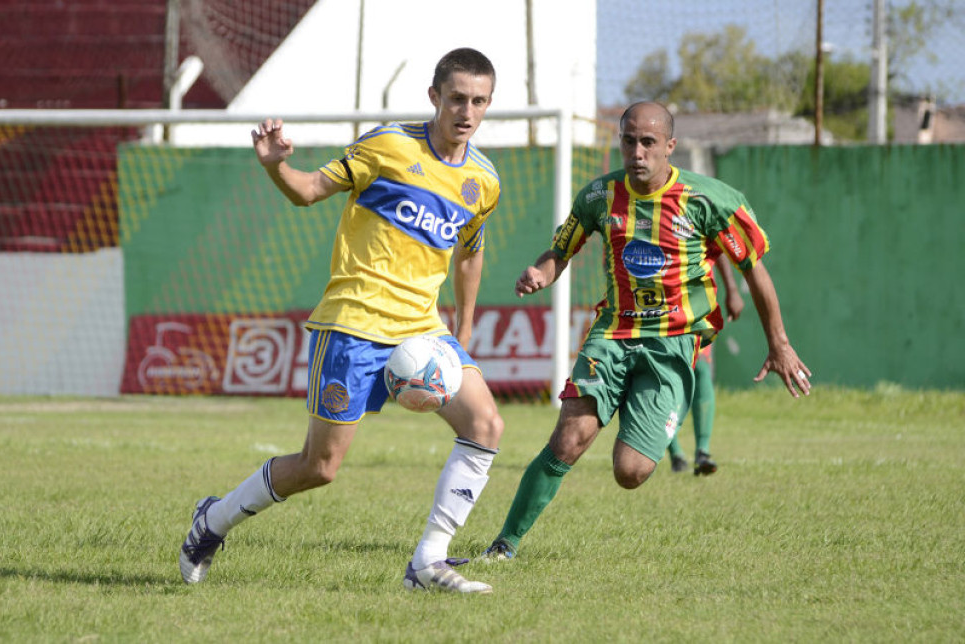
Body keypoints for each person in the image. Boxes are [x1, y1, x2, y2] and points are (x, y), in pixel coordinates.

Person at [179, 48, 504, 594]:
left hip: (423, 330)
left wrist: (463, 332)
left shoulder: (483, 181)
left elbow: (470, 253)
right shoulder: (387, 146)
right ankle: (212, 520)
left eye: (478, 101)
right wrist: (275, 163)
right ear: (434, 98)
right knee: (319, 467)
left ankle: (428, 562)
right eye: (456, 99)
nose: (466, 112)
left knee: (486, 426)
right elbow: (308, 191)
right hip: (354, 324)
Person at [481, 101, 811, 561]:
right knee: (568, 439)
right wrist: (541, 272)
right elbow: (559, 250)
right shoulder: (598, 197)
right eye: (629, 141)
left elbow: (754, 271)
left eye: (649, 143)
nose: (637, 152)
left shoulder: (711, 200)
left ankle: (653, 424)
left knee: (630, 471)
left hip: (672, 344)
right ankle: (504, 546)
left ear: (670, 147)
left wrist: (779, 343)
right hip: (611, 334)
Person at [667, 260, 744, 475]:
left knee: (700, 368)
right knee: (665, 378)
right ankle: (675, 452)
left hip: (698, 307)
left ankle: (703, 450)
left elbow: (719, 251)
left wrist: (732, 289)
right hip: (659, 306)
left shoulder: (703, 225)